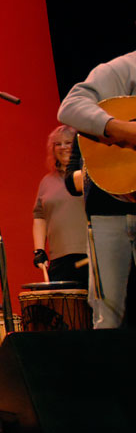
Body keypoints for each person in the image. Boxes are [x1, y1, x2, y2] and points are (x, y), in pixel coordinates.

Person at [57, 50, 136, 329]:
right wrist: (122, 131)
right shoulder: (125, 68)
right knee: (108, 318)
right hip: (111, 212)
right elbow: (71, 106)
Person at [30, 125, 88, 285]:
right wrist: (39, 250)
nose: (63, 147)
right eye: (58, 144)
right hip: (59, 259)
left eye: (68, 143)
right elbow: (39, 217)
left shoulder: (88, 176)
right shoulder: (46, 181)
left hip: (90, 255)